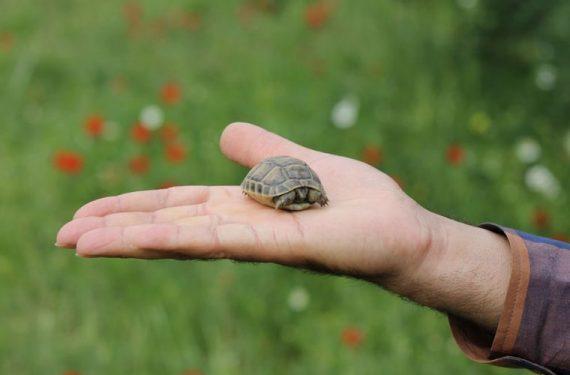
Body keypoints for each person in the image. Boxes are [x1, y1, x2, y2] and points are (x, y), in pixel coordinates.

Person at [55, 122, 569, 374]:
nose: (301, 201)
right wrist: (431, 250)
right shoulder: (279, 188)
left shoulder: (309, 195)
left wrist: (428, 248)